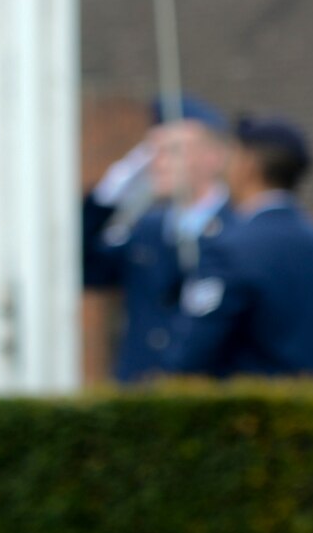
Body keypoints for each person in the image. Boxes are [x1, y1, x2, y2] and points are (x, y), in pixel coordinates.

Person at [163, 117, 313, 379]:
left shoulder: (229, 249)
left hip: (248, 414)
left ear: (249, 165)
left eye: (233, 155)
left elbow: (190, 355)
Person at [82, 96, 233, 381]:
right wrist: (106, 197)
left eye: (173, 151)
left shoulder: (241, 230)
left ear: (214, 157)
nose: (158, 163)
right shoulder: (146, 230)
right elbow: (86, 269)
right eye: (153, 151)